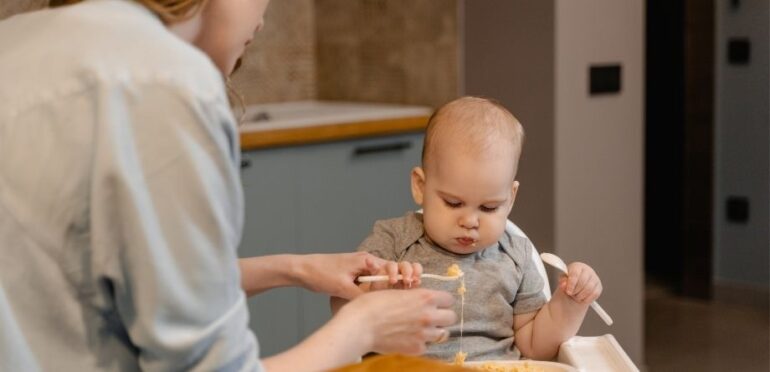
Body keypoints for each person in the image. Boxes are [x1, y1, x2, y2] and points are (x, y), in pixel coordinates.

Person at [0, 1, 456, 371]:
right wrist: (362, 329)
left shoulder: (18, 39)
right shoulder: (165, 83)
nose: (263, 16)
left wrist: (294, 269)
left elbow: (106, 278)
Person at [331, 97, 604, 362]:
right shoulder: (392, 241)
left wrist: (570, 303)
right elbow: (341, 307)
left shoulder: (516, 256)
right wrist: (376, 293)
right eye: (453, 203)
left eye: (489, 208)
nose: (470, 221)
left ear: (510, 198)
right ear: (420, 186)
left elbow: (535, 348)